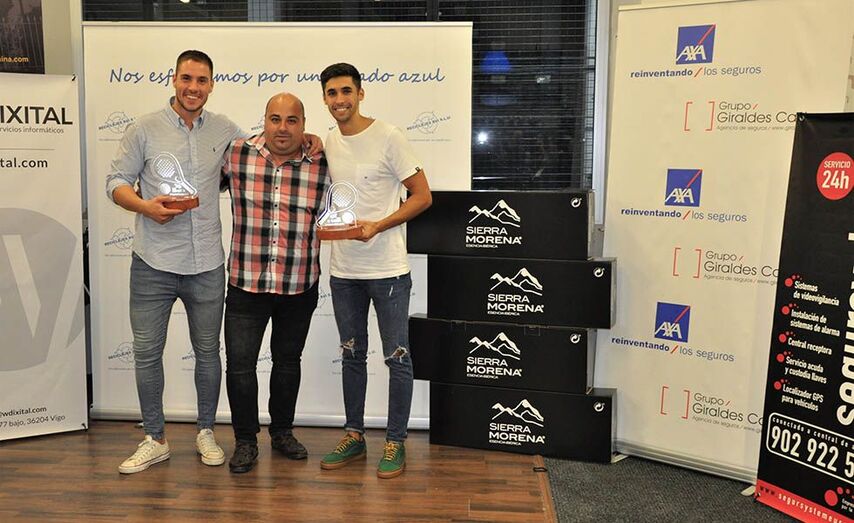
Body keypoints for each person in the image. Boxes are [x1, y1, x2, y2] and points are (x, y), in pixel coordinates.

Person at [106, 50, 321, 474]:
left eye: (201, 80)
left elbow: (269, 144)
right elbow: (115, 182)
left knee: (208, 354)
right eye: (187, 78)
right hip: (152, 261)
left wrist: (311, 138)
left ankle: (206, 430)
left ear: (211, 85)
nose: (193, 88)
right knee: (147, 353)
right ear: (174, 79)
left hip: (206, 264)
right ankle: (155, 438)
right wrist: (145, 207)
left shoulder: (226, 132)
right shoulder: (143, 128)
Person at [317, 63, 432, 479]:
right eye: (332, 93)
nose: (340, 100)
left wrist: (379, 226)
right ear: (325, 99)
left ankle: (395, 441)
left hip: (388, 271)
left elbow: (422, 196)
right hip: (344, 271)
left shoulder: (389, 136)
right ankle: (354, 435)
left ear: (360, 93)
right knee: (352, 355)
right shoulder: (328, 141)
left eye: (346, 91)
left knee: (397, 358)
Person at [221, 93, 328, 473]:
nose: (283, 128)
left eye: (292, 120)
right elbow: (195, 178)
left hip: (299, 284)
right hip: (246, 284)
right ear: (264, 120)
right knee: (240, 366)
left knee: (287, 363)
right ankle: (245, 441)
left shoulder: (323, 161)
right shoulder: (236, 153)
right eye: (275, 119)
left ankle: (282, 432)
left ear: (304, 125)